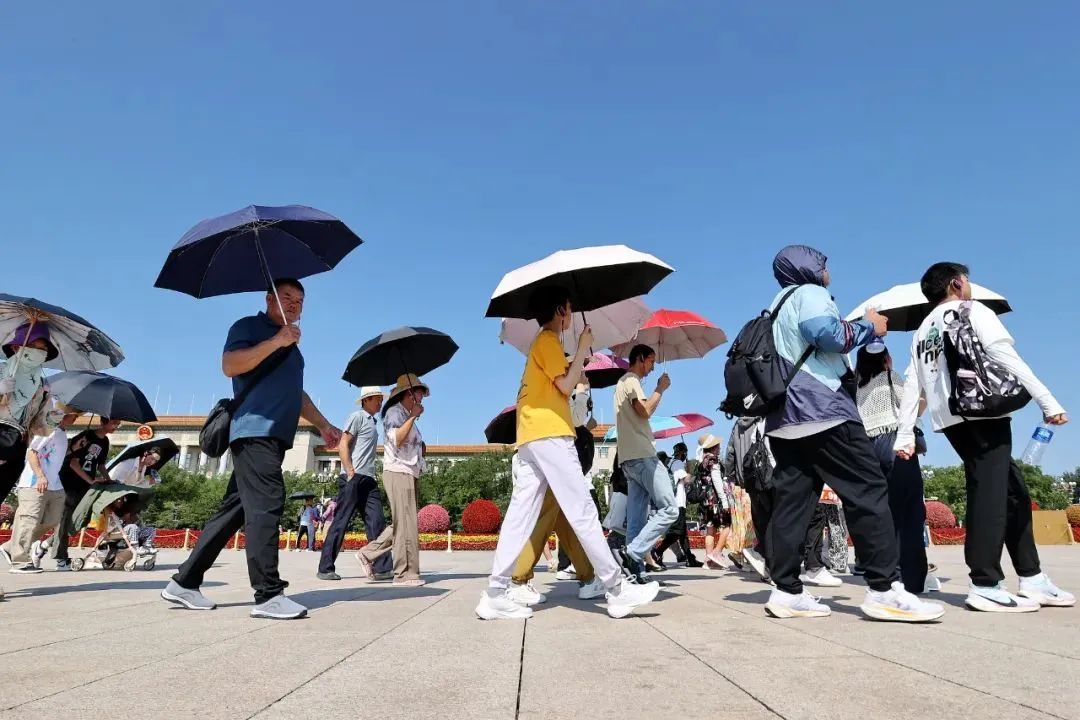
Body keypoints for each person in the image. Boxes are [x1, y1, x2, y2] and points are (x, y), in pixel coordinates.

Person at [761, 245, 944, 622]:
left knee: (793, 504)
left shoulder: (775, 305)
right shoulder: (809, 294)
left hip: (785, 419)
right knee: (869, 489)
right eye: (822, 262)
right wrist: (869, 328)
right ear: (808, 266)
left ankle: (786, 590)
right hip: (822, 410)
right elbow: (827, 334)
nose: (827, 269)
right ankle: (883, 589)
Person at [895, 262, 1074, 611]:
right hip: (982, 409)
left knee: (1013, 490)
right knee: (988, 489)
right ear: (956, 282)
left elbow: (912, 384)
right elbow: (1005, 356)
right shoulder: (971, 309)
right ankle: (985, 582)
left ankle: (1032, 576)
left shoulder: (922, 331)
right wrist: (1047, 400)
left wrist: (904, 433)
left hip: (948, 417)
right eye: (967, 280)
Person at [162, 278, 342, 620]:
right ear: (269, 298)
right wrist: (276, 340)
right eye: (286, 297)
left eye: (300, 300)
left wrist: (323, 424)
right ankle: (268, 594)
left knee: (235, 511)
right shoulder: (249, 326)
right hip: (253, 431)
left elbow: (296, 395)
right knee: (268, 505)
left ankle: (184, 582)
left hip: (276, 436)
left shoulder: (294, 348)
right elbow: (230, 365)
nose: (293, 304)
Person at [476, 286, 659, 620]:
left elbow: (560, 379)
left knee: (521, 515)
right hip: (550, 433)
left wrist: (577, 356)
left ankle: (495, 591)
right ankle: (616, 588)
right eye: (569, 310)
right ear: (560, 310)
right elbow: (564, 386)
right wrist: (583, 348)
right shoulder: (547, 341)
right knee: (581, 509)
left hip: (532, 435)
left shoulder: (544, 345)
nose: (571, 316)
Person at [855, 345, 932, 595]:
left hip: (867, 450)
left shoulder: (857, 387)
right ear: (886, 359)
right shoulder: (891, 377)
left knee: (881, 513)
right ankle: (911, 577)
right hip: (894, 444)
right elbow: (909, 408)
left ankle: (887, 574)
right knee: (909, 512)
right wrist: (926, 397)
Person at [615, 343, 679, 582]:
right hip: (643, 456)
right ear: (640, 358)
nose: (652, 367)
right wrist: (660, 389)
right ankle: (632, 552)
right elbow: (644, 411)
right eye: (651, 361)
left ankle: (636, 573)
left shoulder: (622, 384)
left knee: (636, 521)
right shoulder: (631, 380)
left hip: (629, 460)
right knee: (670, 509)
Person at [319, 386, 393, 582]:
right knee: (341, 521)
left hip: (369, 479)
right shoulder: (357, 416)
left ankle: (383, 568)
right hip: (354, 477)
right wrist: (349, 470)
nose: (380, 401)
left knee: (377, 522)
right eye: (377, 398)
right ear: (366, 400)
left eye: (380, 398)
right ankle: (325, 568)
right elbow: (343, 443)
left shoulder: (373, 422)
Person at [0, 404, 79, 573]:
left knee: (53, 519)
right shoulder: (48, 428)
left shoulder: (62, 434)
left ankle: (8, 547)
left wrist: (75, 448)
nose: (76, 418)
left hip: (54, 484)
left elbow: (53, 455)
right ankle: (19, 561)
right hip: (34, 482)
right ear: (65, 415)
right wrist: (40, 475)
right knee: (28, 520)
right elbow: (31, 451)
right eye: (74, 415)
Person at [46, 416, 122, 569]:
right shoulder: (86, 436)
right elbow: (73, 463)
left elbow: (100, 464)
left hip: (86, 485)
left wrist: (108, 479)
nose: (116, 426)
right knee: (66, 519)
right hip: (69, 483)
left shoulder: (105, 441)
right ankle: (61, 558)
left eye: (118, 424)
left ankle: (43, 546)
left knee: (80, 519)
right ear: (103, 422)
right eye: (114, 423)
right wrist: (91, 481)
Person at [0, 322, 57, 503]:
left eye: (43, 348)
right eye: (33, 346)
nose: (38, 352)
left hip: (16, 445)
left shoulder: (42, 386)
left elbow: (40, 426)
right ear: (17, 347)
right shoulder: (1, 371)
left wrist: (53, 420)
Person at [721, 420, 770, 581]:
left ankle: (746, 554)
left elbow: (730, 453)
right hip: (763, 474)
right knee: (756, 521)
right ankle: (755, 553)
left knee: (743, 521)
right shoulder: (762, 419)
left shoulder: (737, 425)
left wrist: (730, 474)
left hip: (743, 480)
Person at [653, 443, 701, 568]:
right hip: (678, 502)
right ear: (682, 452)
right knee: (676, 531)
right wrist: (691, 471)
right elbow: (687, 480)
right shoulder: (678, 463)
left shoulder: (669, 463)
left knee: (682, 533)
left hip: (671, 500)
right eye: (685, 452)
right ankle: (657, 552)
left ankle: (690, 558)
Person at [694, 434, 732, 569]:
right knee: (727, 524)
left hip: (705, 500)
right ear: (713, 447)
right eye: (718, 446)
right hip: (714, 499)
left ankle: (708, 560)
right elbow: (717, 481)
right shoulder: (713, 461)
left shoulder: (701, 461)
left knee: (710, 529)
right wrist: (725, 501)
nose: (720, 448)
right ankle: (717, 552)